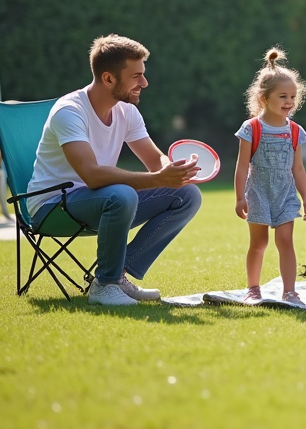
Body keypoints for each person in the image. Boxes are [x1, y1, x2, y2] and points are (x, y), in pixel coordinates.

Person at [26, 35, 203, 306]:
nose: (144, 83)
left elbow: (155, 159)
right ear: (108, 78)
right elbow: (92, 175)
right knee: (122, 194)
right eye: (136, 76)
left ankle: (116, 276)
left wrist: (174, 170)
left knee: (187, 194)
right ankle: (104, 285)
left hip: (100, 203)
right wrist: (157, 179)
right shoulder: (69, 111)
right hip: (52, 207)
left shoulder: (127, 111)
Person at [234, 47, 306, 305]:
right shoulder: (252, 128)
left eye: (293, 96)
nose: (289, 101)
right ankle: (253, 288)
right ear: (264, 98)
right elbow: (242, 166)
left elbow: (298, 168)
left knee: (285, 240)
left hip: (285, 195)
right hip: (258, 193)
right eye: (283, 96)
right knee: (258, 244)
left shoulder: (295, 130)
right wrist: (239, 198)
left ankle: (290, 291)